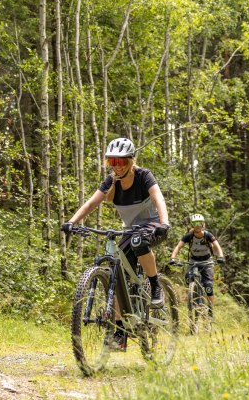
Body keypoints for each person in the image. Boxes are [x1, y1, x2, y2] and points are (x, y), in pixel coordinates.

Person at [61, 137, 170, 349]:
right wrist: (72, 222)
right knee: (117, 274)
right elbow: (92, 203)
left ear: (131, 161)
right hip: (130, 229)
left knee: (139, 243)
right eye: (112, 161)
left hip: (153, 225)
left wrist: (164, 222)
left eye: (121, 161)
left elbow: (159, 199)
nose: (117, 166)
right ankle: (120, 333)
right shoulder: (110, 182)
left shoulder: (143, 176)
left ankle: (155, 286)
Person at [168, 213, 225, 313]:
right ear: (192, 225)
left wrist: (220, 256)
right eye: (195, 223)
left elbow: (217, 246)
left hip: (207, 261)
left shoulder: (208, 235)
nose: (197, 225)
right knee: (188, 278)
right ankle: (194, 295)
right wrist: (173, 258)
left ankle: (210, 310)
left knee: (208, 286)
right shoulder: (189, 236)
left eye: (199, 223)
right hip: (193, 261)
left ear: (203, 224)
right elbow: (178, 247)